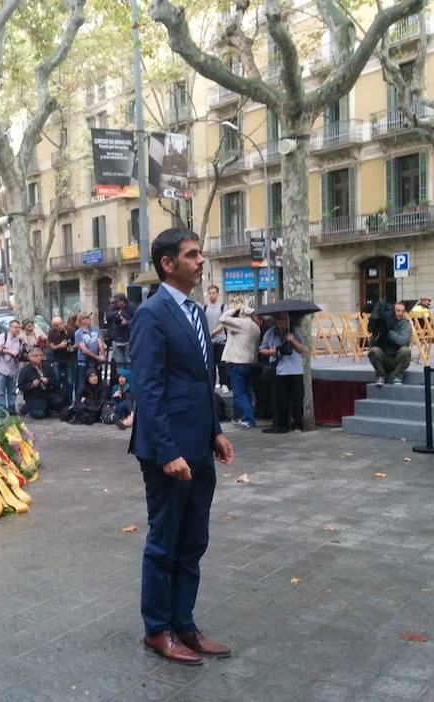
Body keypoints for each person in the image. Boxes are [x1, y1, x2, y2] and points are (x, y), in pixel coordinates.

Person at [129, 227, 234, 666]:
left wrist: (215, 432)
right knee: (164, 542)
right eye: (192, 255)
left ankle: (184, 624)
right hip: (167, 452)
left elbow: (200, 382)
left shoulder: (195, 311)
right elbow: (148, 388)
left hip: (198, 446)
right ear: (168, 264)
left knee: (193, 541)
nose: (201, 260)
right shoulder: (151, 314)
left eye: (200, 253)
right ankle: (157, 630)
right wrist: (168, 451)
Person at [259, 312, 307, 432]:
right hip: (279, 371)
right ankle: (283, 425)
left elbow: (302, 349)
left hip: (295, 370)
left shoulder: (294, 332)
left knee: (297, 400)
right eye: (281, 319)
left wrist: (293, 341)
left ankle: (297, 425)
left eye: (286, 319)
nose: (284, 322)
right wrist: (273, 352)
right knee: (281, 400)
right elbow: (262, 349)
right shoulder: (270, 333)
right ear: (276, 320)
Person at [218, 303, 262, 428]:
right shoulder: (255, 327)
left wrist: (234, 309)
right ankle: (247, 417)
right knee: (246, 392)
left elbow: (222, 318)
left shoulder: (242, 323)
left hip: (237, 362)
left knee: (238, 393)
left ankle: (248, 419)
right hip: (248, 362)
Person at [368, 302, 413, 386]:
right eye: (398, 311)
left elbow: (403, 341)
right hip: (384, 357)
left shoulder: (406, 325)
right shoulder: (385, 322)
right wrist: (377, 333)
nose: (400, 313)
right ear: (393, 311)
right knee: (374, 351)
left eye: (402, 311)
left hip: (398, 358)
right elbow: (371, 345)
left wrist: (388, 332)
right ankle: (381, 375)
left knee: (405, 351)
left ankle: (398, 376)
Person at [17, 348, 66, 419]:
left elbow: (55, 381)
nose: (39, 358)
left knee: (59, 400)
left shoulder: (47, 367)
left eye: (40, 355)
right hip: (34, 396)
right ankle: (25, 408)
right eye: (36, 356)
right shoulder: (25, 370)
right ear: (30, 358)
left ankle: (47, 409)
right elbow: (21, 386)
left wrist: (48, 381)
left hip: (47, 393)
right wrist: (32, 385)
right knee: (39, 415)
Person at [0, 319, 23, 414]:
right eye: (15, 327)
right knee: (1, 391)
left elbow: (19, 353)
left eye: (18, 328)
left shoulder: (19, 341)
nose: (17, 329)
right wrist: (10, 352)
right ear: (10, 328)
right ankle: (1, 409)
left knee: (12, 391)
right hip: (2, 368)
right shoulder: (3, 337)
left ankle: (11, 408)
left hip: (13, 369)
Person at [74, 312, 106, 398]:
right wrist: (98, 357)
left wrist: (102, 355)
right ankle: (79, 400)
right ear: (82, 321)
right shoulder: (78, 333)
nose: (89, 319)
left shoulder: (95, 329)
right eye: (87, 318)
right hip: (83, 361)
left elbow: (100, 343)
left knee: (96, 380)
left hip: (94, 361)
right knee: (82, 382)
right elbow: (84, 350)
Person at [203, 285, 229, 390]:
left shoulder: (223, 307)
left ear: (217, 294)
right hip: (209, 341)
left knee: (222, 363)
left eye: (213, 293)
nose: (211, 295)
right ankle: (211, 385)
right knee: (211, 364)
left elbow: (224, 323)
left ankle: (224, 384)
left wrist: (213, 332)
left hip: (221, 339)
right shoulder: (204, 308)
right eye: (210, 293)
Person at [104, 293, 137, 374]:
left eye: (116, 301)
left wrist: (126, 322)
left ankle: (129, 379)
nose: (114, 303)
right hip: (116, 339)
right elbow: (107, 316)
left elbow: (137, 319)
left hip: (128, 339)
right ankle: (121, 378)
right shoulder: (113, 307)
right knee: (119, 363)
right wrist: (117, 313)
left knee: (129, 362)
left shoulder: (131, 306)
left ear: (122, 301)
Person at [47, 315, 77, 404]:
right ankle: (59, 401)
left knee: (69, 381)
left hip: (70, 358)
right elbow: (51, 346)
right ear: (53, 326)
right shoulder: (52, 332)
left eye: (61, 324)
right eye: (57, 325)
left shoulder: (70, 330)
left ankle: (69, 402)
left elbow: (77, 342)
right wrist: (60, 346)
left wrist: (72, 346)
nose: (60, 326)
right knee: (57, 379)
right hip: (57, 358)